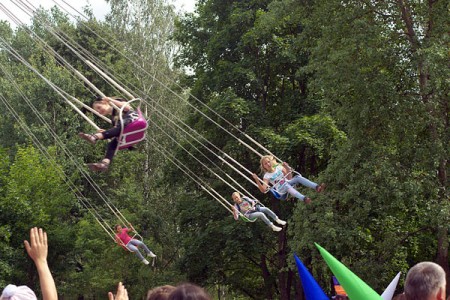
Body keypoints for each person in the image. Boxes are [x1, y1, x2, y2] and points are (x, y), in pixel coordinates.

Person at [78, 97, 139, 172]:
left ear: (104, 102)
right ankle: (104, 163)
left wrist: (110, 100)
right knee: (111, 144)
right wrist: (107, 132)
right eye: (97, 111)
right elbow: (116, 131)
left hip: (132, 119)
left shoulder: (116, 105)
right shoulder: (114, 120)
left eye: (99, 107)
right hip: (127, 131)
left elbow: (127, 107)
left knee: (120, 127)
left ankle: (94, 137)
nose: (99, 111)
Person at [252, 155, 325, 203]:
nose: (268, 164)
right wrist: (257, 180)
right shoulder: (267, 176)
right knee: (286, 185)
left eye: (268, 162)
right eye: (265, 164)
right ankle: (304, 198)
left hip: (287, 183)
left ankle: (317, 187)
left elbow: (289, 176)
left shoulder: (278, 167)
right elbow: (263, 190)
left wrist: (286, 167)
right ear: (264, 167)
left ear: (271, 162)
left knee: (297, 177)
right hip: (281, 191)